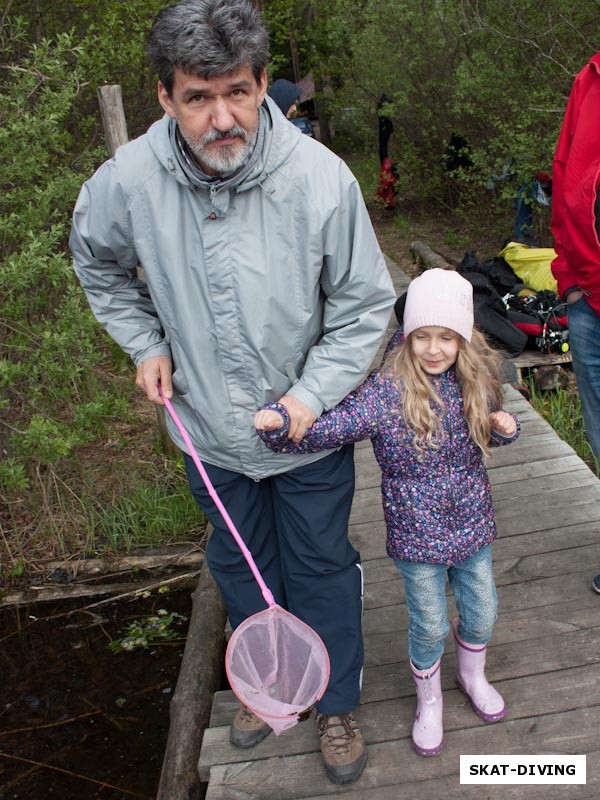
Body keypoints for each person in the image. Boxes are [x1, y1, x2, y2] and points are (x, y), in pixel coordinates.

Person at [69, 0, 396, 785]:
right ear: (164, 97)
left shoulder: (320, 180)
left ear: (261, 87)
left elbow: (364, 308)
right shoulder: (130, 182)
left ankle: (338, 700)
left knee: (320, 563)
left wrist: (312, 398)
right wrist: (147, 344)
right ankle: (265, 686)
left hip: (305, 432)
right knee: (241, 566)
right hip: (208, 435)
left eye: (238, 93)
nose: (223, 117)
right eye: (198, 97)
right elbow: (95, 260)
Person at [254, 269, 520, 757]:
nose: (434, 349)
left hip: (472, 524)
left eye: (446, 337)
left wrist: (504, 428)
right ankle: (430, 700)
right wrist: (282, 425)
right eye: (422, 336)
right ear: (407, 336)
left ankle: (472, 675)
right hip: (416, 533)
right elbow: (329, 428)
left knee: (483, 611)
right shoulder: (384, 392)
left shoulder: (474, 379)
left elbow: (492, 426)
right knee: (430, 623)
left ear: (463, 338)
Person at [550, 52, 600, 595]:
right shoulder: (588, 79)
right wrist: (570, 277)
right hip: (590, 298)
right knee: (597, 430)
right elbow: (566, 174)